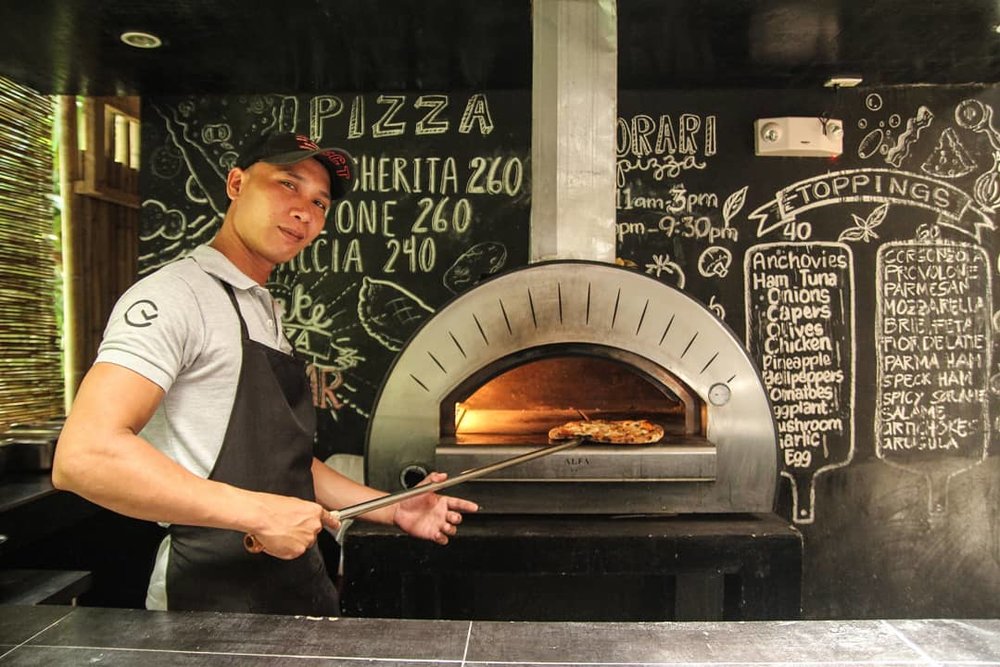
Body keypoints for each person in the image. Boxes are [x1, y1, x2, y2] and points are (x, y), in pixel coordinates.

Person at [52, 131, 478, 616]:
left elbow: (285, 463)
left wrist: (391, 507)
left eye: (320, 202)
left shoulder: (262, 309)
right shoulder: (175, 296)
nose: (304, 210)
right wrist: (256, 513)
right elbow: (84, 455)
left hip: (297, 584)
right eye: (287, 184)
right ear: (236, 183)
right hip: (208, 600)